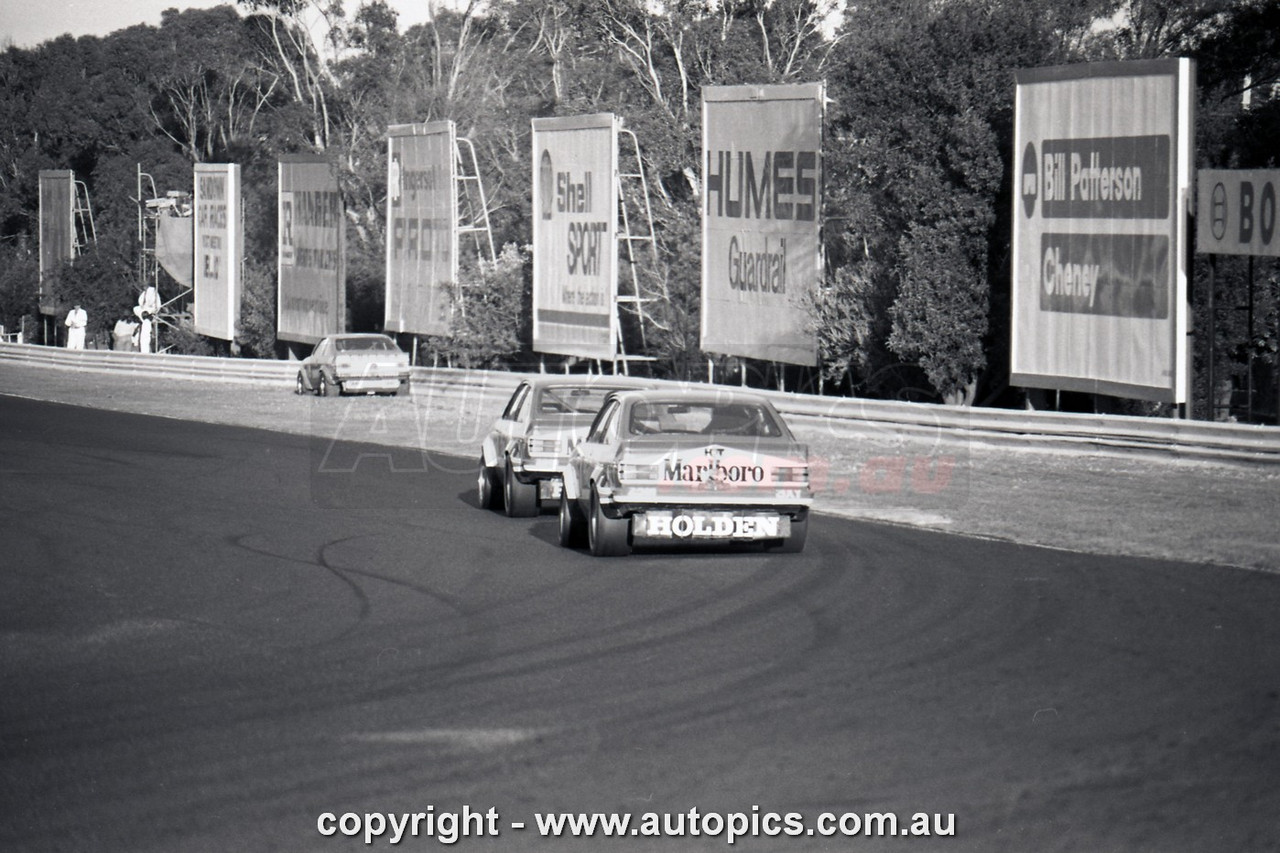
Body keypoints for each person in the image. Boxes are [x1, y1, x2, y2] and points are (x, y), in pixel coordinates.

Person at [133, 285, 160, 353]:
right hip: (144, 310)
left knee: (145, 337)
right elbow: (140, 303)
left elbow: (156, 306)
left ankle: (145, 351)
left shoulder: (153, 293)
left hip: (150, 311)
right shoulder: (144, 294)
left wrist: (150, 310)